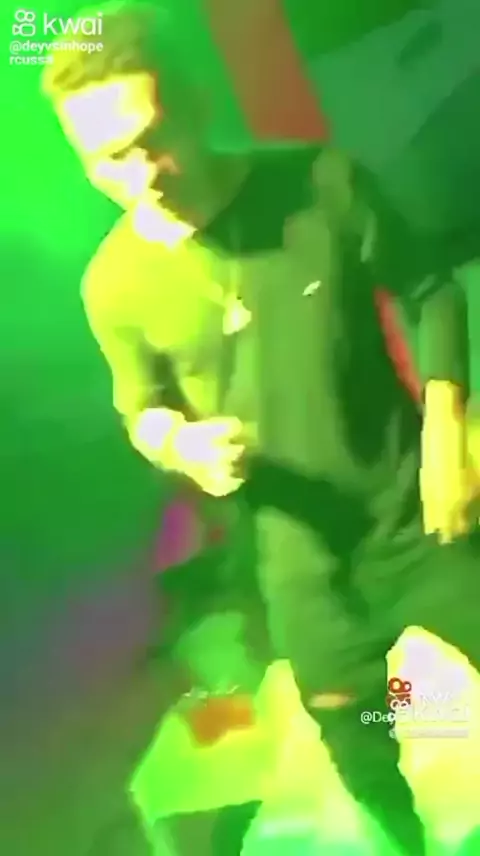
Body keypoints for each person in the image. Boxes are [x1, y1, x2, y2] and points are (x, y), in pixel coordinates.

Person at [41, 3, 480, 855]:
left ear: (197, 104)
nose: (141, 174)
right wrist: (181, 444)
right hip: (298, 565)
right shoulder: (114, 286)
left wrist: (447, 428)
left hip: (416, 511)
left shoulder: (320, 184)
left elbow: (430, 290)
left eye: (152, 138)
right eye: (108, 159)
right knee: (359, 741)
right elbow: (142, 412)